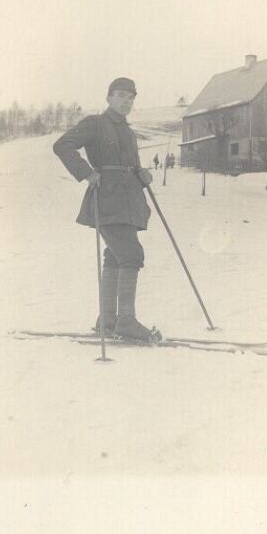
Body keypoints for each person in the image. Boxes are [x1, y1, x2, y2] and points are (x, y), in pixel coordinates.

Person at [52, 77, 159, 341]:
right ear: (109, 98)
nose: (127, 101)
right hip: (107, 199)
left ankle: (109, 320)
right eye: (121, 95)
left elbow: (130, 164)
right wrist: (86, 173)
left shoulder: (128, 131)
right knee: (131, 254)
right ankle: (126, 322)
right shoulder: (95, 124)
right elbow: (62, 145)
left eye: (131, 97)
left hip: (128, 201)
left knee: (115, 256)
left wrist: (141, 173)